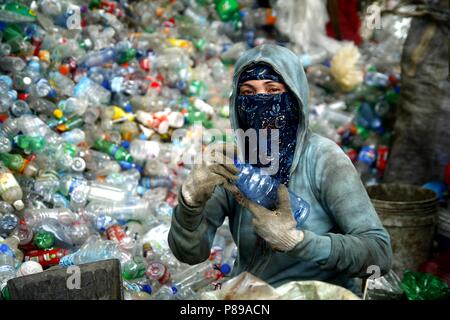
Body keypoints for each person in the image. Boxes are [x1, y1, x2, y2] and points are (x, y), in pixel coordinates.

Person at [168, 44, 392, 293]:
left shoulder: (323, 158)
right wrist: (190, 203)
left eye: (273, 90)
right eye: (248, 92)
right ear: (237, 104)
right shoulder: (235, 162)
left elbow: (379, 254)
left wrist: (298, 242)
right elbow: (190, 254)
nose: (261, 102)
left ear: (295, 99)